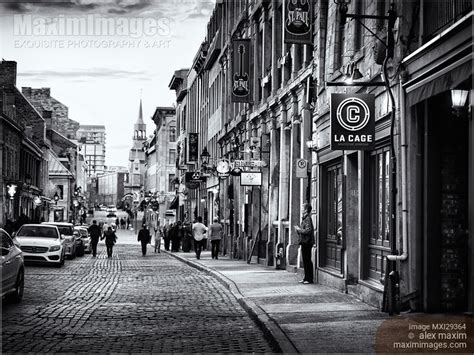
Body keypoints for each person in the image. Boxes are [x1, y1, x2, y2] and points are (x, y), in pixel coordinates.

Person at [294, 203, 315, 284]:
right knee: (305, 260)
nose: (301, 209)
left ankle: (309, 279)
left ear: (306, 210)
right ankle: (306, 277)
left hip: (307, 242)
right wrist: (298, 230)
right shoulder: (305, 218)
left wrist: (299, 230)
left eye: (303, 208)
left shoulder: (308, 219)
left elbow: (308, 230)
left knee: (307, 260)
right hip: (304, 242)